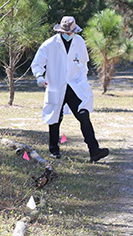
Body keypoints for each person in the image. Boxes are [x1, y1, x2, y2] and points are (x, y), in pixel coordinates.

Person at [31, 15, 109, 163]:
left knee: (84, 116)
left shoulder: (79, 42)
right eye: (65, 33)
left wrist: (82, 80)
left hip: (74, 86)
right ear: (60, 31)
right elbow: (37, 63)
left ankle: (94, 151)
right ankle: (54, 150)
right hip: (56, 86)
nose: (68, 35)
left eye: (70, 33)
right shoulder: (49, 44)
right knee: (55, 118)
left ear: (75, 31)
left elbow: (84, 63)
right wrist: (39, 77)